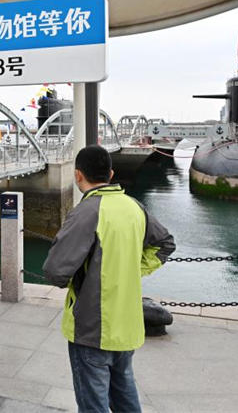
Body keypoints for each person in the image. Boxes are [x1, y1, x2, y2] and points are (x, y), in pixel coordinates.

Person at [43, 145, 176, 413]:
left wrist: (84, 275)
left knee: (94, 404)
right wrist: (131, 268)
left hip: (92, 329)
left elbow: (55, 270)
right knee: (125, 394)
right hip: (127, 324)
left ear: (78, 175)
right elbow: (165, 244)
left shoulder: (86, 212)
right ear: (112, 173)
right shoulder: (134, 206)